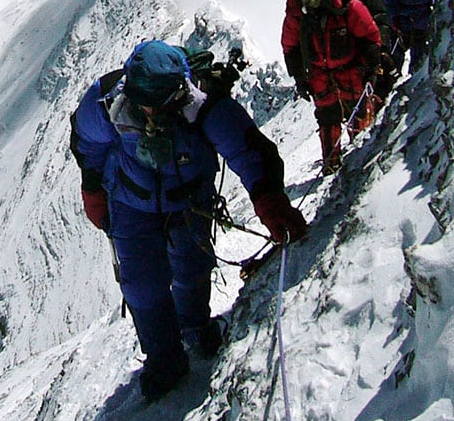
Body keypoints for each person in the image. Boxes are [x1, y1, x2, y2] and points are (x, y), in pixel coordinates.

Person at [70, 41, 308, 401]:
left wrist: (268, 198)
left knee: (192, 266)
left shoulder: (202, 106)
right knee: (142, 285)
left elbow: (248, 150)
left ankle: (195, 325)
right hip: (134, 205)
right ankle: (165, 357)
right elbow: (87, 144)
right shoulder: (108, 104)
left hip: (186, 203)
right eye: (143, 102)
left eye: (156, 102)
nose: (148, 110)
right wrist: (94, 191)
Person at [280, 0, 382, 173]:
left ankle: (361, 152)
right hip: (319, 74)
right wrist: (300, 78)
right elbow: (290, 48)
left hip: (351, 68)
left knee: (359, 110)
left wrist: (372, 64)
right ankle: (331, 163)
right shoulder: (296, 17)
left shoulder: (346, 6)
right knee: (327, 119)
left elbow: (369, 35)